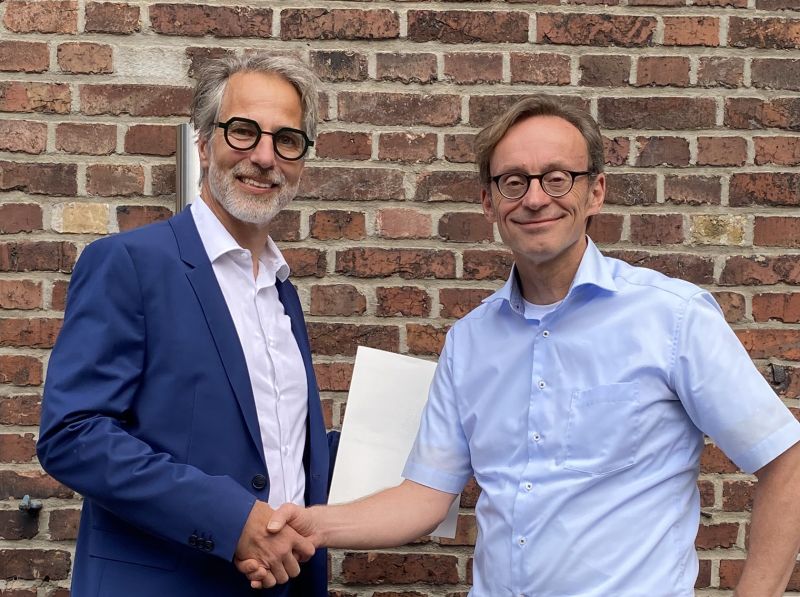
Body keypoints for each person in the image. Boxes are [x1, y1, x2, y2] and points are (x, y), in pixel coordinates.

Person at [242, 95, 800, 596]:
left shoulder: (672, 318)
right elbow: (425, 497)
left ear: (595, 192)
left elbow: (786, 461)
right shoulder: (469, 342)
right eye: (513, 182)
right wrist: (313, 526)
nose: (535, 199)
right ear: (489, 203)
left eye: (557, 178)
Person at [36, 53, 332, 596]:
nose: (264, 157)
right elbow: (72, 435)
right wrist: (231, 520)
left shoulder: (281, 290)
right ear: (204, 141)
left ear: (302, 160)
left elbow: (273, 446)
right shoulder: (130, 264)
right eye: (243, 132)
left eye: (287, 140)